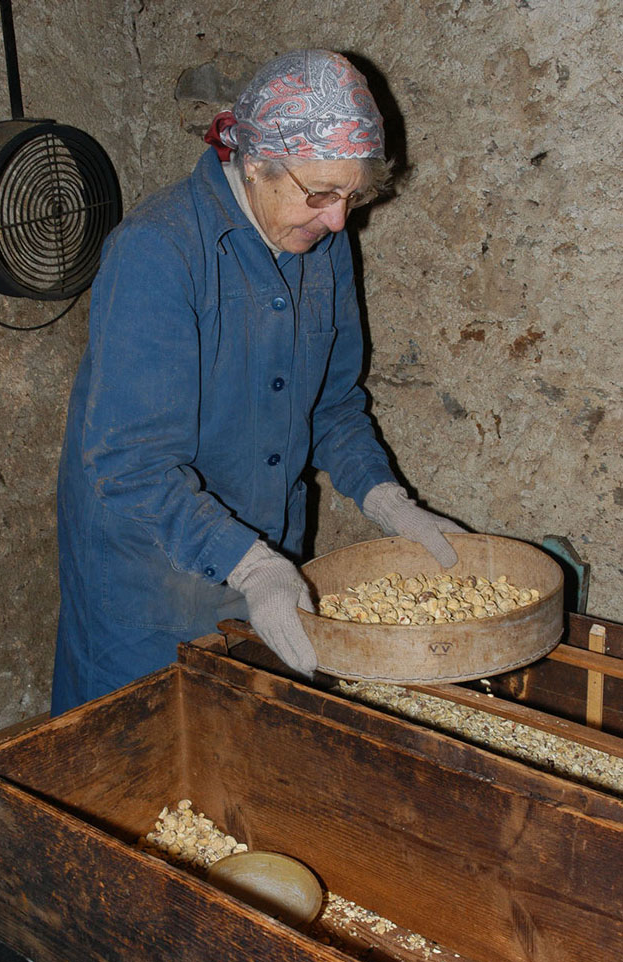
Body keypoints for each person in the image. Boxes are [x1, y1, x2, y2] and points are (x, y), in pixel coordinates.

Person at [51, 49, 464, 715]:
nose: (338, 220)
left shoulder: (321, 243)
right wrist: (254, 567)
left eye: (353, 196)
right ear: (253, 163)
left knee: (237, 765)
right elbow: (130, 462)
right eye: (321, 194)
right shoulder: (156, 252)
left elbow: (330, 404)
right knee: (131, 766)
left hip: (262, 561)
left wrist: (387, 500)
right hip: (147, 580)